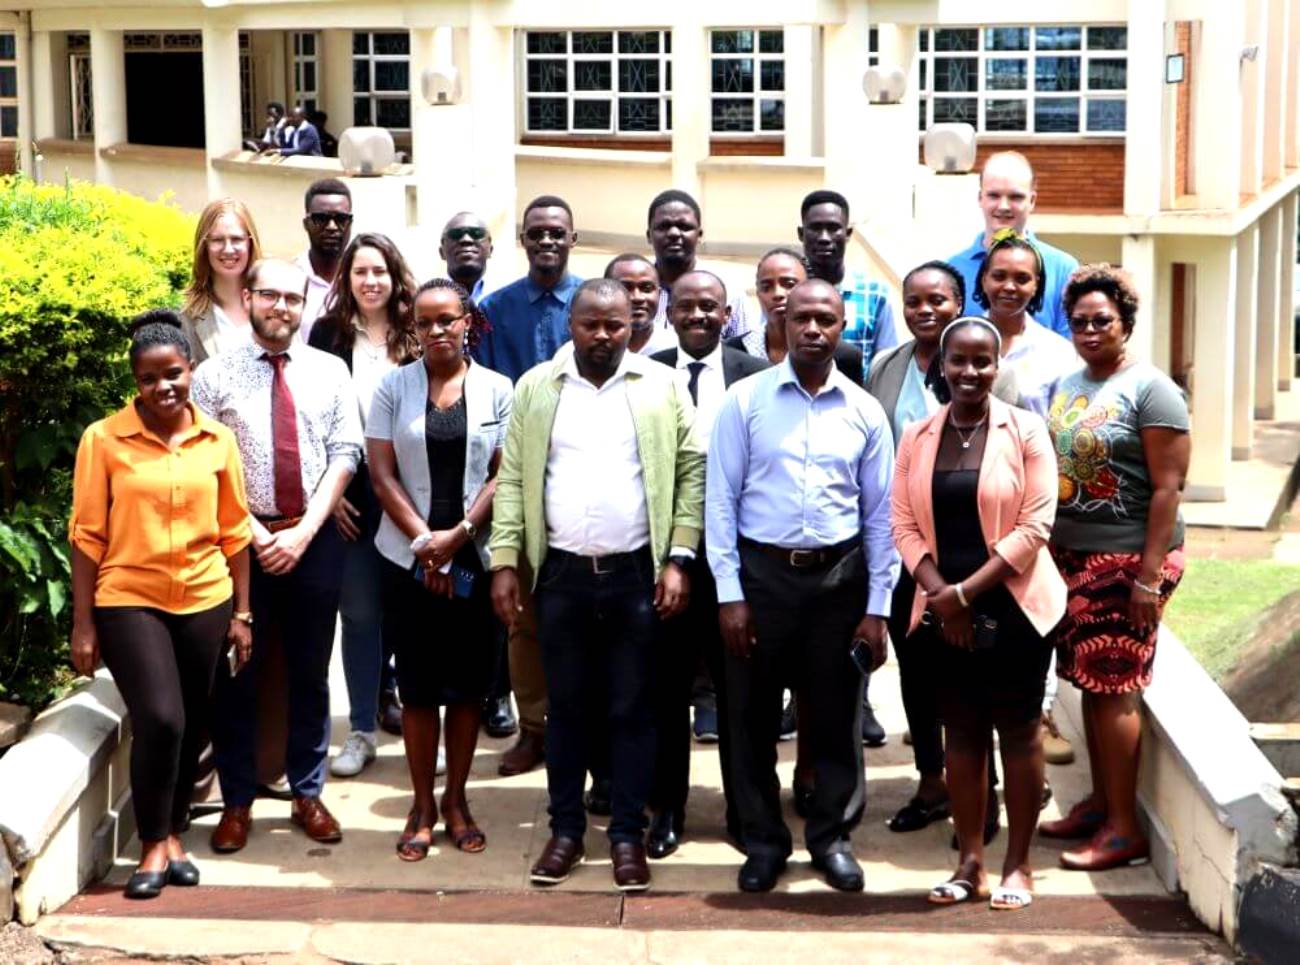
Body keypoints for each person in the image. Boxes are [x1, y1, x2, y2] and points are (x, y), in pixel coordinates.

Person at [489, 279, 704, 892]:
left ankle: (628, 837)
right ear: (572, 326)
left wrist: (678, 559)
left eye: (616, 324)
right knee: (567, 712)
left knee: (633, 711)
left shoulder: (660, 386)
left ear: (633, 325)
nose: (604, 335)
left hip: (638, 573)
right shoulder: (537, 387)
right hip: (560, 576)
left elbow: (691, 468)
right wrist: (506, 561)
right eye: (591, 324)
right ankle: (565, 832)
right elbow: (512, 482)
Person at [707, 278, 897, 894]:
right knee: (750, 719)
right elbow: (721, 504)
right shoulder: (745, 400)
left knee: (837, 716)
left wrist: (877, 609)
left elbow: (880, 516)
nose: (814, 330)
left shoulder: (865, 410)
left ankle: (830, 838)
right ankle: (762, 840)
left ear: (843, 327)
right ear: (782, 323)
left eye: (827, 320)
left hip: (839, 583)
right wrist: (730, 595)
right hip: (761, 581)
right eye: (802, 319)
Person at [69, 311, 252, 899]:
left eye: (172, 374)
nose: (163, 387)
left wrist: (243, 614)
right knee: (161, 718)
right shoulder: (103, 439)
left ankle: (175, 836)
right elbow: (87, 537)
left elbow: (236, 533)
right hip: (129, 597)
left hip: (206, 596)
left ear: (190, 369)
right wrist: (83, 624)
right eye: (149, 379)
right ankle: (151, 842)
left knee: (194, 720)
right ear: (135, 381)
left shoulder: (217, 439)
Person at [891, 317, 1065, 912]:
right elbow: (903, 525)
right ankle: (970, 863)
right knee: (960, 734)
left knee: (1018, 734)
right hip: (943, 611)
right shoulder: (917, 435)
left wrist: (966, 595)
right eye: (957, 361)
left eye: (981, 362)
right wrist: (942, 595)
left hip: (1013, 607)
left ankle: (1018, 865)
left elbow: (1036, 526)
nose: (969, 372)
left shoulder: (1027, 431)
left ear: (998, 366)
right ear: (941, 366)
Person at [191, 258, 363, 854]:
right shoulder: (212, 376)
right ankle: (237, 801)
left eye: (293, 297)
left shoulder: (330, 370)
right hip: (241, 545)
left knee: (312, 673)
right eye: (270, 296)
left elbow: (346, 452)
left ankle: (307, 792)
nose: (282, 307)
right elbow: (203, 469)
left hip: (313, 542)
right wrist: (257, 537)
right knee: (240, 673)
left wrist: (303, 533)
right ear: (248, 296)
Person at [1040, 265, 1190, 872]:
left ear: (1126, 322)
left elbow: (1167, 490)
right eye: (1079, 321)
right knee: (1086, 686)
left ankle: (1124, 830)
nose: (1090, 329)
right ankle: (1101, 804)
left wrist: (1149, 578)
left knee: (1114, 691)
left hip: (1129, 557)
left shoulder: (1152, 389)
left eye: (1102, 320)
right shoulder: (1069, 383)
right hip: (1072, 556)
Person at [367, 278, 513, 859]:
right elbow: (381, 475)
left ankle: (457, 799)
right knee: (420, 687)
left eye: (447, 320)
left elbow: (506, 474)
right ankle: (422, 804)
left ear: (467, 321)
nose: (436, 331)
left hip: (473, 556)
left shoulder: (500, 390)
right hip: (407, 559)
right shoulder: (391, 388)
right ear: (413, 329)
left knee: (469, 687)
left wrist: (459, 538)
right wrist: (427, 542)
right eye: (425, 323)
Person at [645, 270, 768, 857]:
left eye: (709, 307)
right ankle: (667, 809)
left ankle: (743, 811)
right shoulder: (646, 373)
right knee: (666, 694)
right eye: (686, 306)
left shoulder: (758, 378)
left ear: (727, 316)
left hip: (740, 566)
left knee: (739, 696)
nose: (697, 316)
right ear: (669, 313)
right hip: (665, 563)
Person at [474, 195, 584, 776]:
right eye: (536, 233)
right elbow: (487, 394)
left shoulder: (592, 299)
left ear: (573, 237)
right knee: (524, 619)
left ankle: (581, 731)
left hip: (583, 471)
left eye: (556, 232)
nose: (546, 242)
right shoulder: (495, 309)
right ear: (522, 239)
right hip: (517, 471)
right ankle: (533, 728)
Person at [307, 234, 419, 778]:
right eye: (359, 273)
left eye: (379, 271)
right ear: (346, 280)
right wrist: (328, 501)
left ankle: (428, 727)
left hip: (415, 500)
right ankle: (361, 731)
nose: (370, 281)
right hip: (351, 503)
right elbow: (315, 422)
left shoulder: (419, 333)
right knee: (360, 615)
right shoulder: (327, 336)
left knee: (418, 617)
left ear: (396, 277)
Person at [975, 230, 1081, 769]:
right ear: (982, 281)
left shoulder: (1058, 356)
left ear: (1037, 288)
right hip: (966, 525)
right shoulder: (964, 340)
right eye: (999, 276)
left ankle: (1026, 766)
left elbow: (1064, 444)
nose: (1009, 286)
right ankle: (976, 786)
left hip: (1032, 528)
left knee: (1022, 654)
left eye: (1023, 278)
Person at [868, 261, 967, 833]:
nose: (925, 310)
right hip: (904, 549)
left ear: (959, 302)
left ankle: (978, 787)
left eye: (938, 299)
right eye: (914, 301)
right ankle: (931, 782)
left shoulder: (983, 365)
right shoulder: (887, 365)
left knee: (969, 673)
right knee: (918, 671)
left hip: (970, 552)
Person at [948, 151, 1079, 338]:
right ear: (980, 198)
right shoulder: (952, 270)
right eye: (994, 195)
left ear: (1032, 200)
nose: (1003, 206)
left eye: (1015, 197)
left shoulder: (1063, 269)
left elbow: (1070, 349)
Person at [728, 248, 865, 386]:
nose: (778, 294)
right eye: (766, 287)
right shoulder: (731, 352)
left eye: (789, 284)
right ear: (757, 294)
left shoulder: (844, 357)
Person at [180, 199, 264, 366]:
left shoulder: (274, 304)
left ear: (250, 242)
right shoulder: (186, 318)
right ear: (204, 245)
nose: (228, 249)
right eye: (218, 240)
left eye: (236, 239)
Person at [296, 179, 354, 345]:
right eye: (321, 219)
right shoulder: (290, 280)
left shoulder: (364, 280)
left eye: (341, 219)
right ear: (306, 224)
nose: (332, 227)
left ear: (350, 223)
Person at [645, 189, 704, 332]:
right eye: (664, 226)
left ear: (699, 235)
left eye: (684, 227)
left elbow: (745, 349)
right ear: (649, 236)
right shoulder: (632, 292)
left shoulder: (727, 292)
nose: (673, 233)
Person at [606, 253, 677, 356]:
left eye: (647, 289)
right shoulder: (590, 347)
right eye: (626, 288)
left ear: (659, 294)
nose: (637, 297)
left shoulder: (675, 348)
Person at [440, 212, 494, 303]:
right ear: (442, 252)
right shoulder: (426, 299)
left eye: (477, 233)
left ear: (490, 249)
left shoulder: (507, 299)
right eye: (455, 234)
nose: (466, 239)